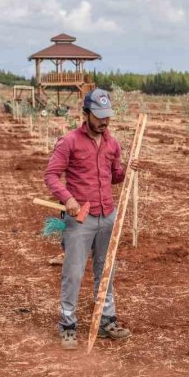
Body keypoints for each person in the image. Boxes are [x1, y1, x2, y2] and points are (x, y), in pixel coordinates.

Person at [43, 88, 141, 350]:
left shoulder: (113, 144)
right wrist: (68, 199)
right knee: (73, 273)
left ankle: (107, 320)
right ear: (85, 114)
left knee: (105, 271)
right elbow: (51, 175)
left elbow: (115, 177)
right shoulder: (69, 142)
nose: (104, 121)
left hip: (107, 215)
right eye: (98, 116)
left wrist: (128, 169)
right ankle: (67, 325)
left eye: (107, 116)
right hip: (80, 219)